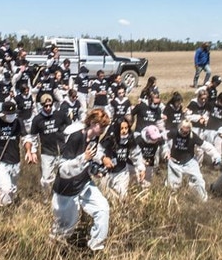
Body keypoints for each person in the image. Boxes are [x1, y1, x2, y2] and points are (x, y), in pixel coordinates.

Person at [49, 109, 111, 251]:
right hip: (66, 189)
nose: (103, 129)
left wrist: (99, 162)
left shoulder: (94, 137)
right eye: (102, 126)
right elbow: (63, 169)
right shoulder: (75, 137)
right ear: (93, 123)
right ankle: (54, 252)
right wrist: (84, 158)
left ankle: (95, 248)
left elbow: (94, 152)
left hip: (84, 183)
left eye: (105, 126)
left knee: (103, 208)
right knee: (66, 227)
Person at [26, 94, 72, 193]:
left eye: (50, 105)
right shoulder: (37, 119)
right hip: (47, 152)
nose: (48, 108)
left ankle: (60, 195)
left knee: (65, 175)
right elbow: (33, 137)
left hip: (62, 150)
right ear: (41, 105)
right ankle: (47, 197)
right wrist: (33, 152)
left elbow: (69, 127)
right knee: (46, 178)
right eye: (45, 106)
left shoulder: (59, 114)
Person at [97, 119, 146, 200]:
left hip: (122, 172)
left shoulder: (130, 140)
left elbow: (136, 154)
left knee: (123, 196)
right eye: (122, 128)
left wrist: (141, 168)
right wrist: (103, 158)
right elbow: (98, 150)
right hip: (107, 172)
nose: (124, 131)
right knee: (105, 196)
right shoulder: (110, 139)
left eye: (126, 128)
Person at [162, 120, 208, 202]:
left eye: (187, 131)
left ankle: (203, 200)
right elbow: (162, 139)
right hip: (174, 162)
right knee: (173, 184)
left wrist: (216, 156)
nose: (184, 134)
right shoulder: (173, 132)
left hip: (189, 162)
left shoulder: (192, 136)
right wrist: (166, 151)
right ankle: (171, 201)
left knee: (198, 179)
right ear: (180, 128)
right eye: (183, 131)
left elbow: (205, 145)